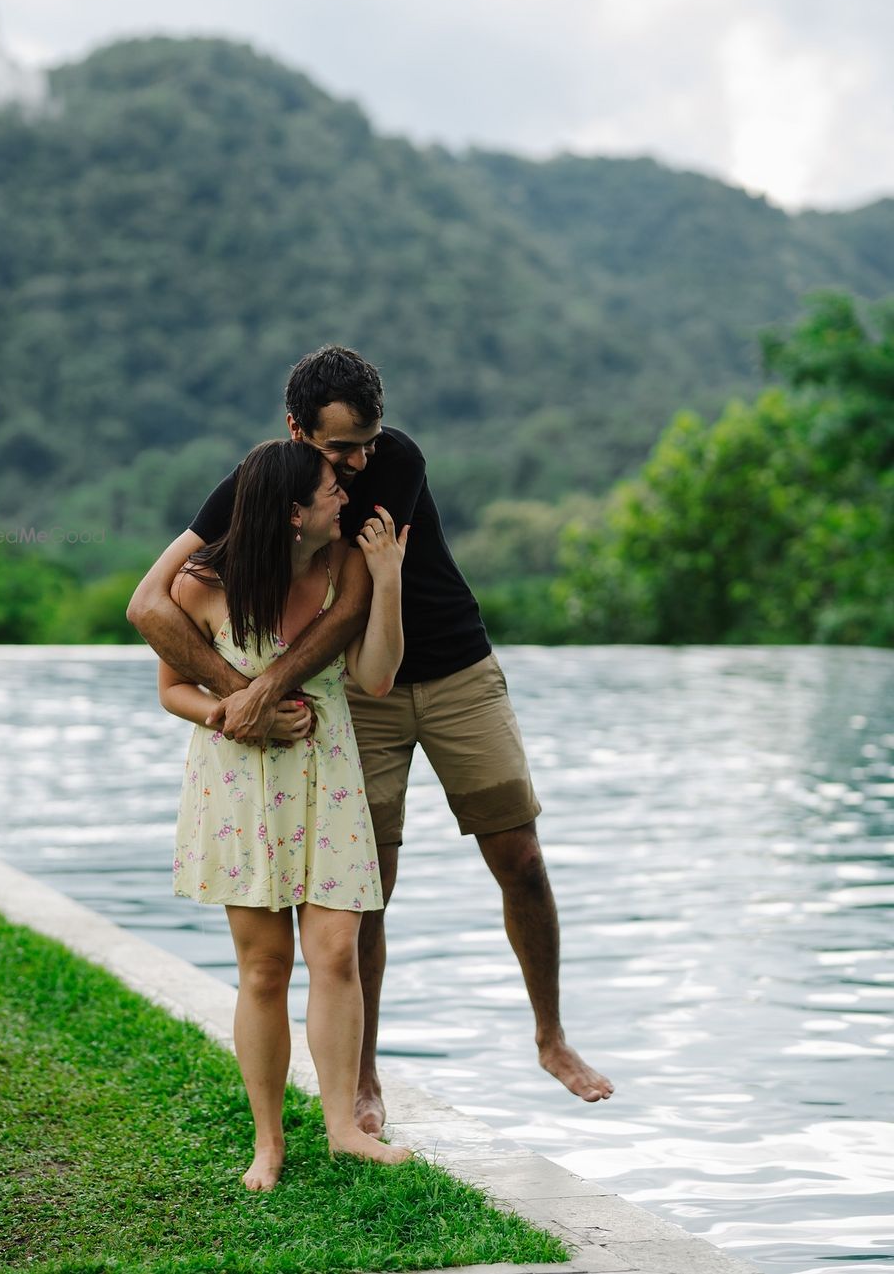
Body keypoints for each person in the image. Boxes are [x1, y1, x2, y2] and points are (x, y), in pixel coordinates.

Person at [128, 346, 613, 1140]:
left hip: (450, 662)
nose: (357, 462)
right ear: (296, 431)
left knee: (520, 852)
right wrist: (235, 694)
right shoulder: (267, 482)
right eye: (339, 448)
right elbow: (151, 603)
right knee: (362, 887)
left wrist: (258, 691)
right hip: (355, 691)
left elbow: (350, 604)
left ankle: (550, 1037)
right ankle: (363, 1078)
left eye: (368, 439)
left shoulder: (395, 462)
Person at [156, 437, 411, 1189]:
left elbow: (373, 677)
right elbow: (173, 689)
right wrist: (236, 712)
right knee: (264, 967)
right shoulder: (204, 584)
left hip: (327, 773)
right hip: (241, 780)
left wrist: (390, 582)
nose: (348, 498)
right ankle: (268, 1142)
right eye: (335, 488)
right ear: (295, 511)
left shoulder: (350, 567)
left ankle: (342, 1129)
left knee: (335, 952)